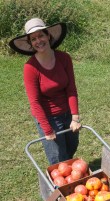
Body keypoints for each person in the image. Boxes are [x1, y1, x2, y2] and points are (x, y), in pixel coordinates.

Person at [9, 18, 81, 165]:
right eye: (33, 38)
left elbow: (71, 89)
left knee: (71, 147)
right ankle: (56, 186)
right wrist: (47, 130)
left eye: (41, 35)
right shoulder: (30, 67)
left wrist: (74, 117)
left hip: (67, 113)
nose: (38, 41)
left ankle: (69, 178)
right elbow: (34, 102)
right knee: (57, 159)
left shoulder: (64, 58)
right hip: (48, 117)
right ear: (30, 43)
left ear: (48, 36)